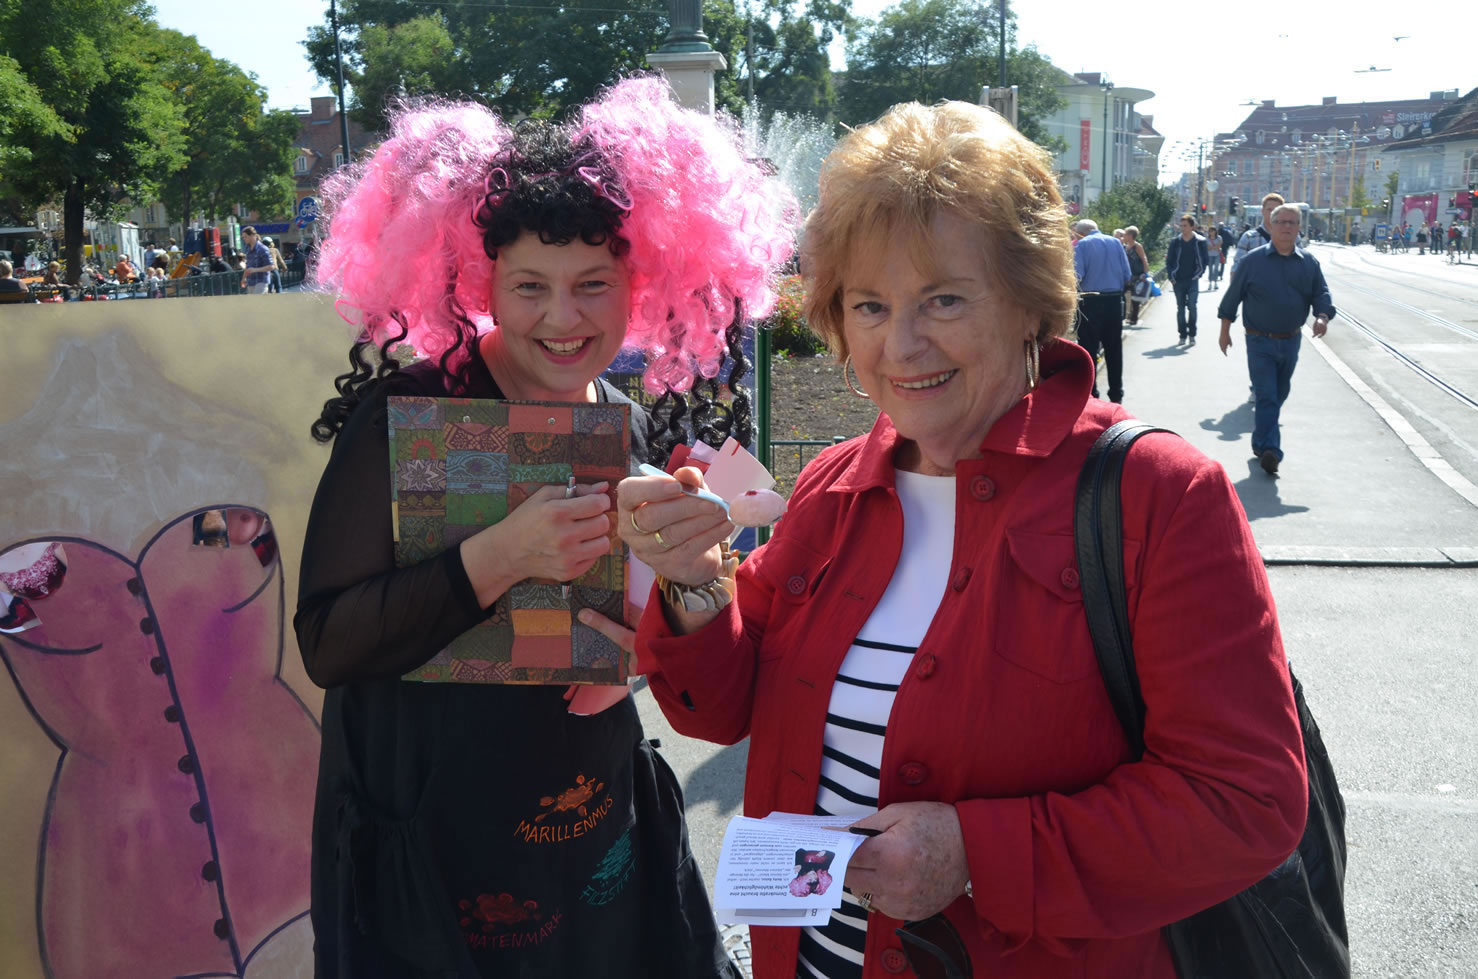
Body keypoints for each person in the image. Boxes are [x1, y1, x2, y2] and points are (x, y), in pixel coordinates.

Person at [613, 100, 1308, 979]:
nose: (901, 344)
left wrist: (975, 853)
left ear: (1027, 302)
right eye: (869, 304)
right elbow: (716, 708)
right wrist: (691, 583)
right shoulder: (833, 484)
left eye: (942, 297)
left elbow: (1244, 801)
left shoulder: (1158, 497)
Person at [297, 77, 793, 978]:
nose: (563, 320)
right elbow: (327, 643)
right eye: (530, 286)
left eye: (593, 285)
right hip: (432, 839)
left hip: (583, 820)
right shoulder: (406, 415)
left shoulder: (622, 417)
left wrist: (656, 626)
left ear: (639, 284)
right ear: (481, 281)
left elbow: (618, 618)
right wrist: (499, 556)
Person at [1218, 203, 1334, 475]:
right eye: (1281, 222)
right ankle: (1271, 450)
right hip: (1259, 341)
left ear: (1299, 228)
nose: (1286, 227)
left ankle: (1261, 442)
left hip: (1291, 339)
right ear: (1271, 225)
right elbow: (1233, 297)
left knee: (1279, 393)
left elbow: (1321, 294)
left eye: (1292, 222)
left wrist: (1322, 317)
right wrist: (1225, 331)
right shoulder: (1253, 261)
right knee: (1268, 395)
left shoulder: (1309, 263)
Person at [1071, 218, 1132, 402]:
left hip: (1090, 303)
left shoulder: (1081, 245)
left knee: (1089, 350)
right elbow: (1127, 274)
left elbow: (1077, 276)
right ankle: (1116, 394)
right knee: (1114, 348)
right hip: (1114, 301)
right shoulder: (1115, 242)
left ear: (1080, 233)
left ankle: (1092, 394)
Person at [1165, 214, 1209, 343]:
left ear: (1192, 227)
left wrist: (1198, 274)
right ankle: (1182, 335)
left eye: (1185, 226)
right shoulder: (1175, 242)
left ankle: (1192, 334)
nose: (1182, 228)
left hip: (1192, 280)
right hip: (1178, 280)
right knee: (1181, 308)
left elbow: (1205, 260)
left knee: (1192, 306)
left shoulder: (1200, 242)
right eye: (1181, 225)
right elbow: (1170, 261)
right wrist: (1171, 276)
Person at [1233, 192, 1282, 271]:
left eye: (1276, 210)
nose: (1272, 213)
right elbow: (1237, 268)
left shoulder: (1292, 237)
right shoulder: (1249, 237)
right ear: (1262, 211)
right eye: (1269, 209)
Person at [1121, 225, 1150, 325]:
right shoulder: (1125, 247)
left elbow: (1143, 259)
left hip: (1136, 275)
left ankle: (1134, 319)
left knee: (1135, 298)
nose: (1124, 236)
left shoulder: (1137, 246)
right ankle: (1123, 316)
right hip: (1126, 276)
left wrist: (1145, 273)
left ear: (1131, 235)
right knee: (1121, 295)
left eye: (1125, 234)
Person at [240, 227, 273, 293]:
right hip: (251, 281)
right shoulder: (248, 249)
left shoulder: (262, 249)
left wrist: (255, 270)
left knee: (258, 302)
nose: (244, 239)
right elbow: (248, 265)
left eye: (245, 237)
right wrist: (243, 278)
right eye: (243, 237)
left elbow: (271, 266)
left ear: (252, 235)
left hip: (261, 281)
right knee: (252, 303)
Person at [1205, 220, 1224, 291]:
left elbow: (1219, 246)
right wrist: (1214, 247)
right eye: (1210, 231)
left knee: (1216, 269)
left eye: (1212, 231)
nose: (1211, 232)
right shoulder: (1206, 238)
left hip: (1217, 255)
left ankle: (1215, 283)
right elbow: (1207, 248)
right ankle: (1210, 283)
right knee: (1210, 269)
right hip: (1209, 255)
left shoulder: (1219, 238)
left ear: (1215, 231)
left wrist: (1212, 247)